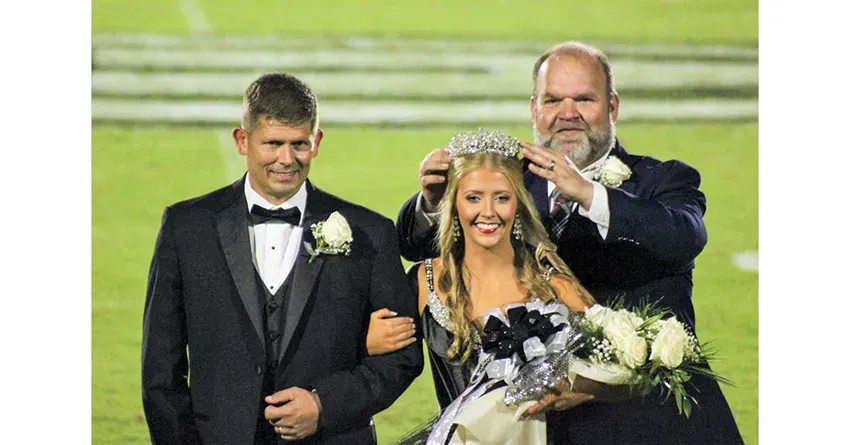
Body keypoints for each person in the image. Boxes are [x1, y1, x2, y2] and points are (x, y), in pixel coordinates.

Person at [380, 41, 743, 444]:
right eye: (553, 100)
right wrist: (433, 202)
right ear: (534, 109)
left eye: (584, 99)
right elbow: (416, 245)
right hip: (542, 428)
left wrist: (589, 194)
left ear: (612, 107)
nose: (567, 114)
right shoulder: (507, 185)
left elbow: (684, 236)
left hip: (654, 423)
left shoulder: (663, 180)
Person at [141, 73, 423, 445]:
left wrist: (324, 405)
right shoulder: (187, 228)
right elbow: (160, 370)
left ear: (316, 142)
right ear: (242, 141)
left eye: (299, 144)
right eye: (273, 144)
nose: (286, 160)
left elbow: (403, 358)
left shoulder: (370, 233)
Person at [395, 129, 623, 444]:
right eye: (473, 198)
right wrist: (374, 342)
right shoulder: (424, 281)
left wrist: (582, 389)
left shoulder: (553, 285)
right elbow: (386, 369)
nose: (488, 212)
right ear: (454, 205)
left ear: (518, 205)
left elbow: (624, 372)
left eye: (501, 198)